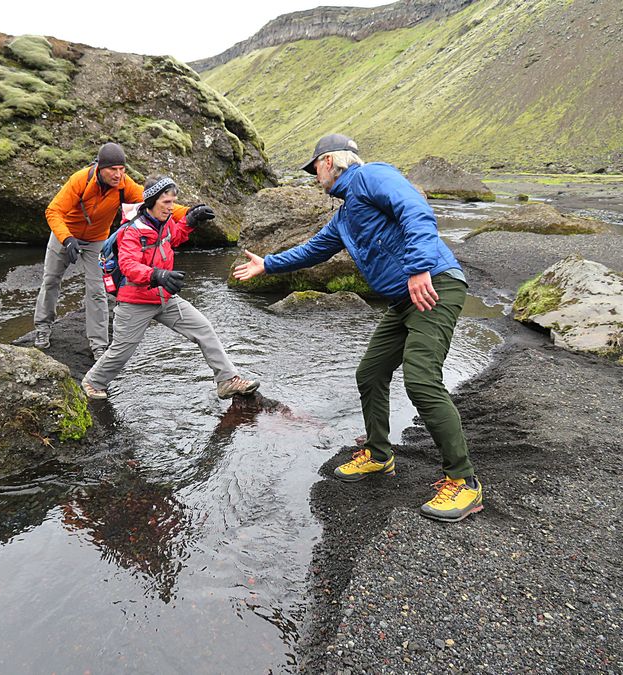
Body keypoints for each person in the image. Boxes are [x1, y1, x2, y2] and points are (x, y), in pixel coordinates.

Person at [233, 134, 483, 523]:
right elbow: (313, 250)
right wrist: (268, 264)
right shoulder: (345, 217)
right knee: (370, 373)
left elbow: (416, 210)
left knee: (421, 380)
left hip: (434, 284)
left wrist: (418, 267)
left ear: (330, 160)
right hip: (404, 300)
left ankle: (463, 482)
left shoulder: (372, 177)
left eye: (314, 167)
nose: (314, 177)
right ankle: (380, 456)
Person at [82, 175, 260, 401]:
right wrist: (157, 274)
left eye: (173, 202)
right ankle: (92, 382)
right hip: (134, 301)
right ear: (151, 201)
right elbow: (128, 265)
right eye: (166, 202)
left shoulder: (164, 224)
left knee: (203, 328)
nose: (171, 207)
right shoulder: (132, 231)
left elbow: (174, 237)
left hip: (164, 297)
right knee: (121, 351)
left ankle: (227, 381)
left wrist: (191, 220)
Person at [33, 142, 188, 356]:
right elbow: (53, 211)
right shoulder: (80, 180)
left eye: (122, 169)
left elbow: (155, 202)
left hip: (97, 240)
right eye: (113, 170)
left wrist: (190, 214)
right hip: (65, 235)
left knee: (97, 290)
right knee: (51, 280)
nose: (118, 175)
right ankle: (42, 327)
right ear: (100, 168)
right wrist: (67, 239)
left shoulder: (124, 185)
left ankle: (98, 345)